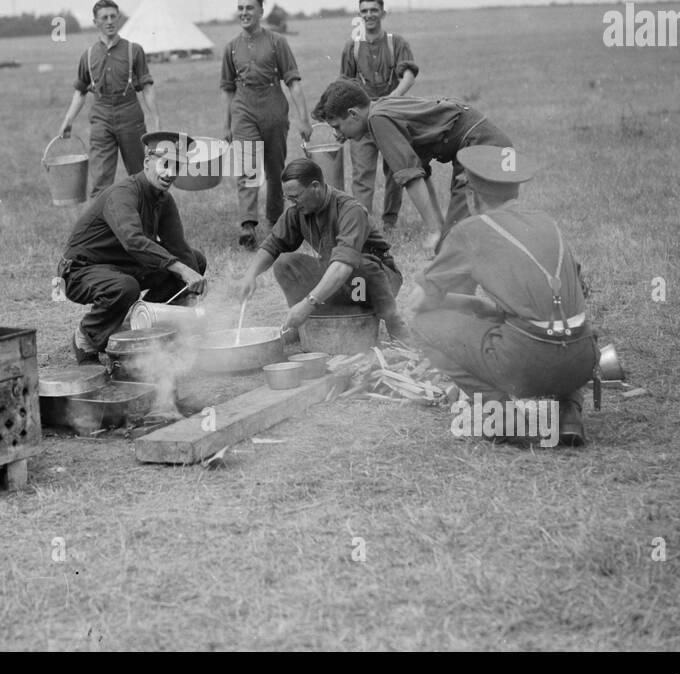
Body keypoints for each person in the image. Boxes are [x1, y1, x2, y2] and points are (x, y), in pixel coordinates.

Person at [406, 146, 594, 446]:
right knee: (563, 321)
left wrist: (455, 302)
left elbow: (417, 303)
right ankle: (568, 412)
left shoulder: (470, 230)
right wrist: (479, 304)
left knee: (422, 324)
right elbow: (572, 291)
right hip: (583, 361)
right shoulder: (547, 221)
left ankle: (506, 417)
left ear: (471, 195)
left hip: (529, 364)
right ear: (515, 191)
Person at [57, 131, 208, 364]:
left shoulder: (163, 199)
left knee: (195, 261)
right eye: (165, 164)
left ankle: (139, 328)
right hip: (80, 271)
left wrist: (196, 288)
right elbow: (133, 241)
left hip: (124, 265)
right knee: (127, 287)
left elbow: (179, 249)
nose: (170, 173)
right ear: (148, 162)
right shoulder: (123, 194)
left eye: (177, 167)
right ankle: (86, 339)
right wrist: (182, 270)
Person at [312, 80, 512, 251]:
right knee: (455, 237)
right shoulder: (381, 107)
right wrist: (439, 228)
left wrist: (435, 231)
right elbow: (421, 173)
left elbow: (411, 177)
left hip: (481, 147)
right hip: (486, 144)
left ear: (353, 114)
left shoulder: (378, 119)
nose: (338, 135)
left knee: (457, 242)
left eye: (337, 126)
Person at [238, 157, 409, 339]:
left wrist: (308, 303)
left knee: (360, 265)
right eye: (288, 198)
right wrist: (250, 275)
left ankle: (394, 323)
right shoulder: (298, 211)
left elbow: (343, 266)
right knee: (285, 263)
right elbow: (272, 245)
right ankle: (305, 322)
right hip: (340, 279)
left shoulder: (351, 210)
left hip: (377, 281)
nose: (291, 203)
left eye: (295, 197)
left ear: (315, 187)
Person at [220, 0, 312, 249]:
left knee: (275, 170)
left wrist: (304, 120)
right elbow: (227, 88)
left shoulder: (276, 42)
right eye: (240, 7)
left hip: (273, 108)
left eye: (250, 7)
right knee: (247, 168)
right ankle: (248, 225)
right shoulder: (231, 47)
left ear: (261, 11)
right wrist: (226, 124)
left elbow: (293, 82)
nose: (244, 12)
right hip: (244, 109)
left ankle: (275, 221)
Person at [58, 0, 160, 198]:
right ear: (95, 22)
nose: (110, 21)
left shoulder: (134, 50)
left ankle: (147, 226)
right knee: (100, 182)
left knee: (142, 175)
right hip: (101, 118)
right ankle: (104, 227)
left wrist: (155, 119)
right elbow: (80, 92)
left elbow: (147, 87)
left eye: (113, 16)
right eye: (104, 17)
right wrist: (67, 121)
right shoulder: (87, 56)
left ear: (119, 19)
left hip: (130, 115)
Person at [340, 0, 419, 230]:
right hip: (361, 120)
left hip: (390, 116)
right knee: (362, 175)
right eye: (364, 11)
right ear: (359, 15)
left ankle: (389, 222)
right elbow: (344, 84)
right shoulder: (352, 47)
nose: (369, 15)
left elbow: (409, 75)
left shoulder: (397, 43)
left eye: (374, 10)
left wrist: (391, 99)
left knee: (396, 170)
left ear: (383, 13)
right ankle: (361, 224)